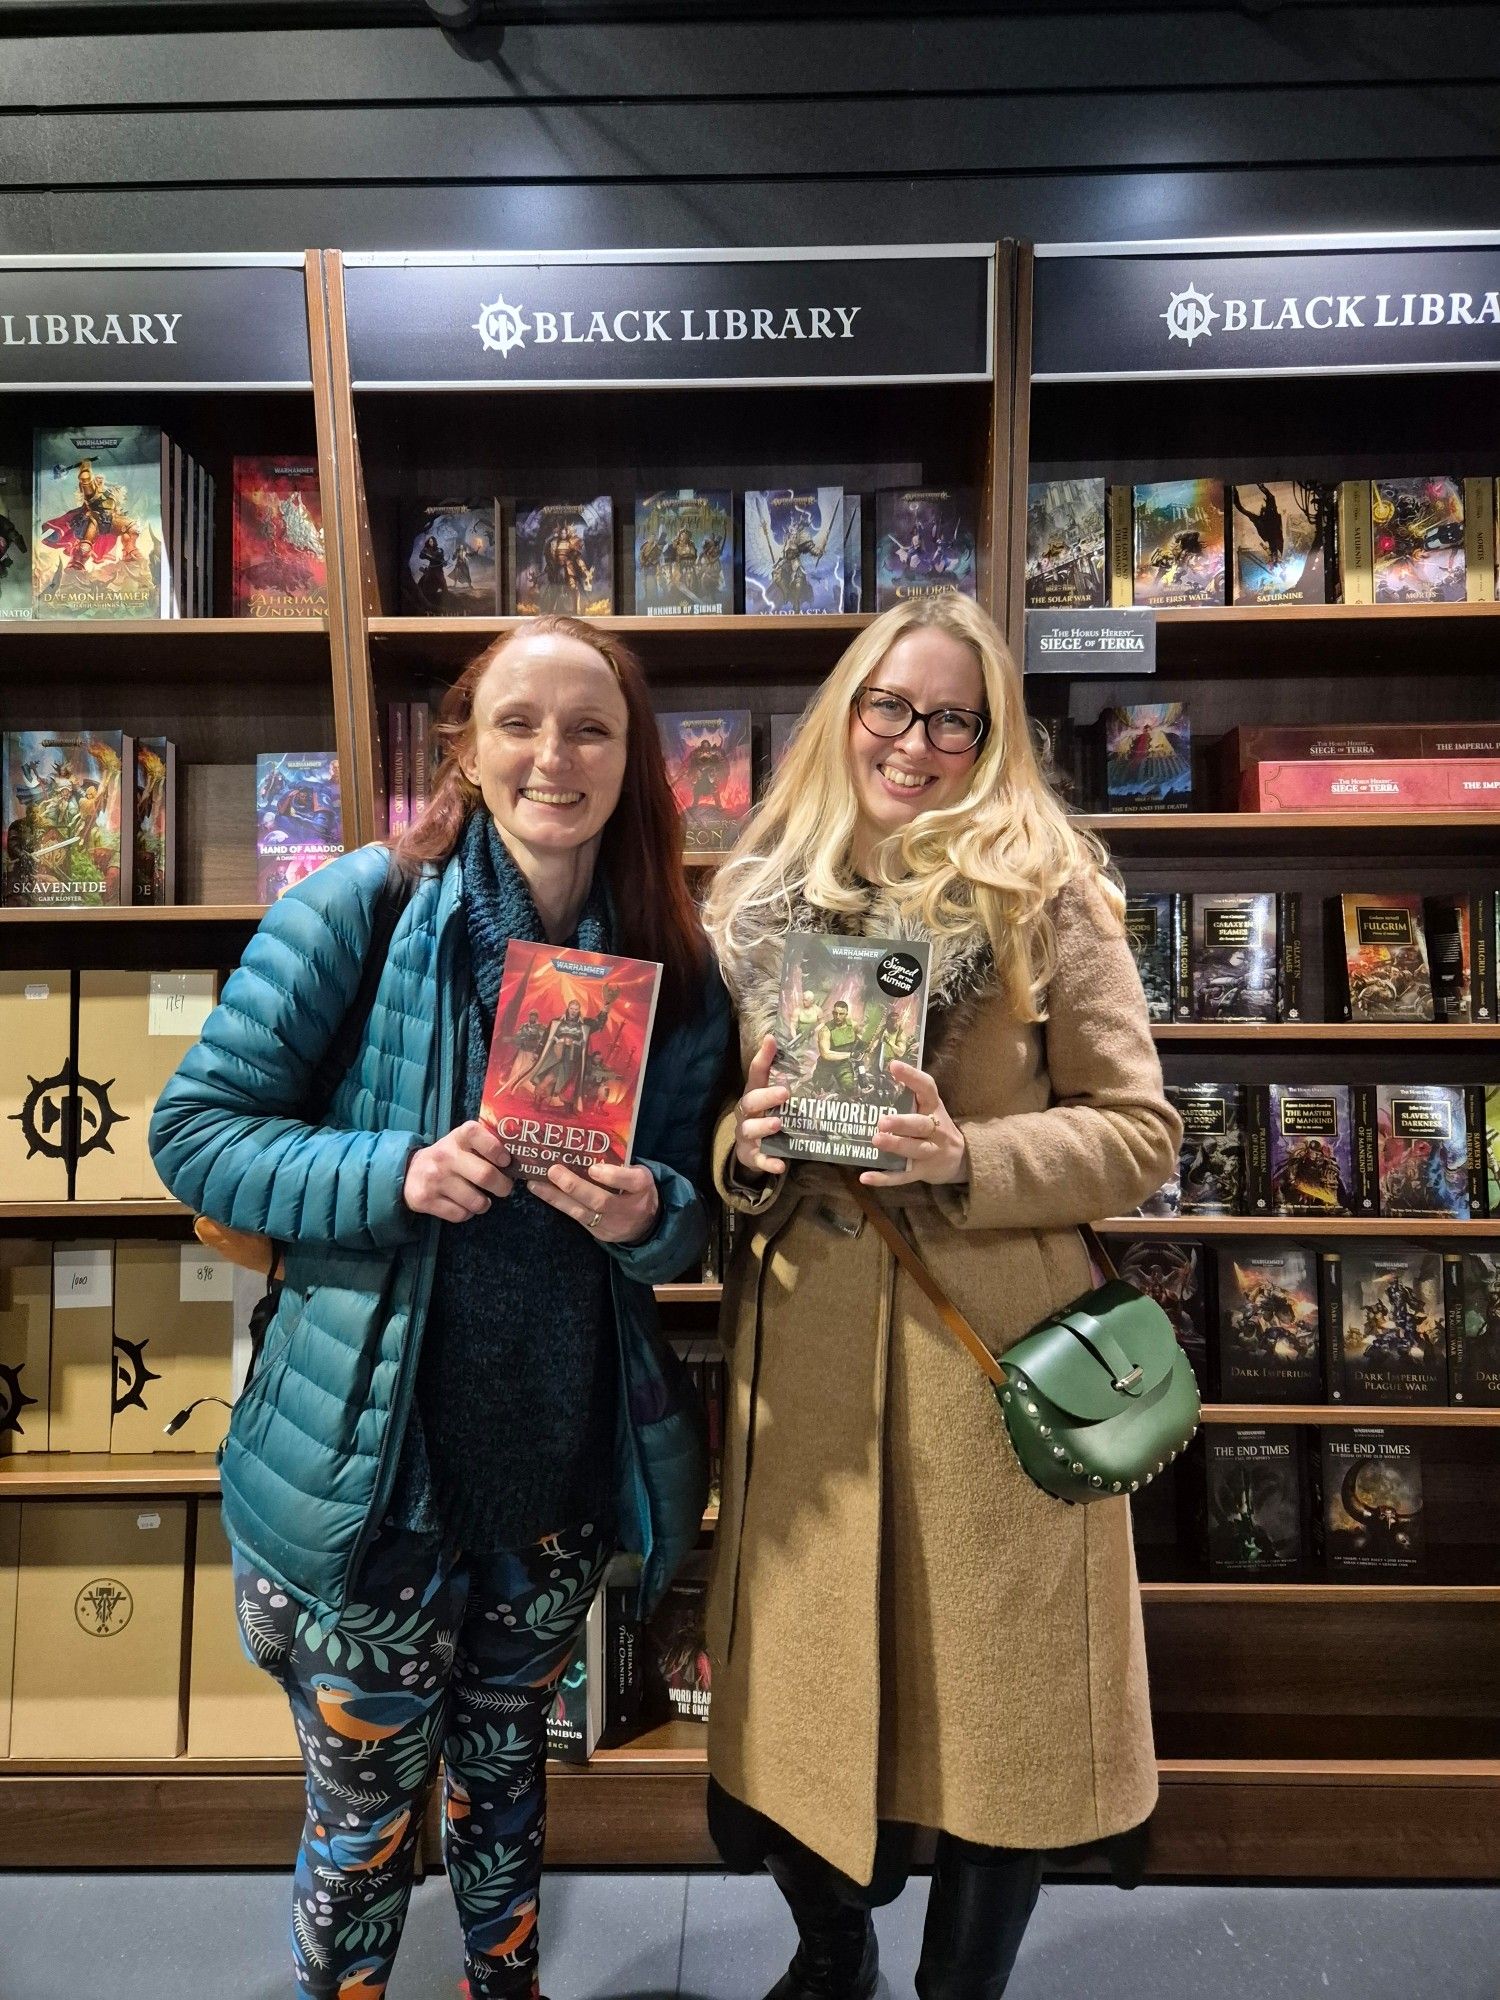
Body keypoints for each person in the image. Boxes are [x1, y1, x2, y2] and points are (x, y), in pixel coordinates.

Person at [150, 616, 730, 2000]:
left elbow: (706, 1209)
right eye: (520, 721)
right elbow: (196, 1131)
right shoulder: (360, 905)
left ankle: (503, 1987)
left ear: (633, 759)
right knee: (360, 1832)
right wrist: (394, 1171)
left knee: (507, 1793)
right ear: (464, 745)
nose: (555, 755)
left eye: (591, 727)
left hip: (553, 1466)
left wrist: (652, 1212)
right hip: (375, 1486)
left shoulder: (669, 960)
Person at [700, 595, 1181, 2000]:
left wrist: (970, 1153)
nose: (916, 742)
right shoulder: (752, 898)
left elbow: (1140, 1133)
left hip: (989, 1364)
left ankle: (960, 1987)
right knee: (804, 1694)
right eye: (890, 708)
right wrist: (748, 1147)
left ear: (989, 738)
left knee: (1004, 1711)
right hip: (811, 1385)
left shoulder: (1050, 890)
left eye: (952, 718)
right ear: (846, 714)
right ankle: (830, 1949)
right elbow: (716, 1130)